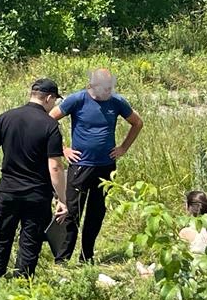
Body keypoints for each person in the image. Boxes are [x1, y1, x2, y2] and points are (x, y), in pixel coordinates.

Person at [50, 68, 144, 264]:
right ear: (92, 86)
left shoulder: (116, 102)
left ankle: (87, 256)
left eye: (111, 88)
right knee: (72, 212)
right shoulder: (77, 100)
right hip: (81, 166)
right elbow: (49, 120)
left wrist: (123, 148)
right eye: (105, 88)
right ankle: (63, 259)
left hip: (105, 166)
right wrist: (63, 148)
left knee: (96, 212)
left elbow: (137, 123)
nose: (108, 92)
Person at [0, 78, 68, 284]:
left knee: (1, 239)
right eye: (54, 100)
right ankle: (21, 285)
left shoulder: (7, 117)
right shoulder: (50, 125)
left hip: (9, 192)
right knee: (30, 242)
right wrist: (62, 199)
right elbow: (54, 166)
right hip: (37, 195)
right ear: (48, 98)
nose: (54, 104)